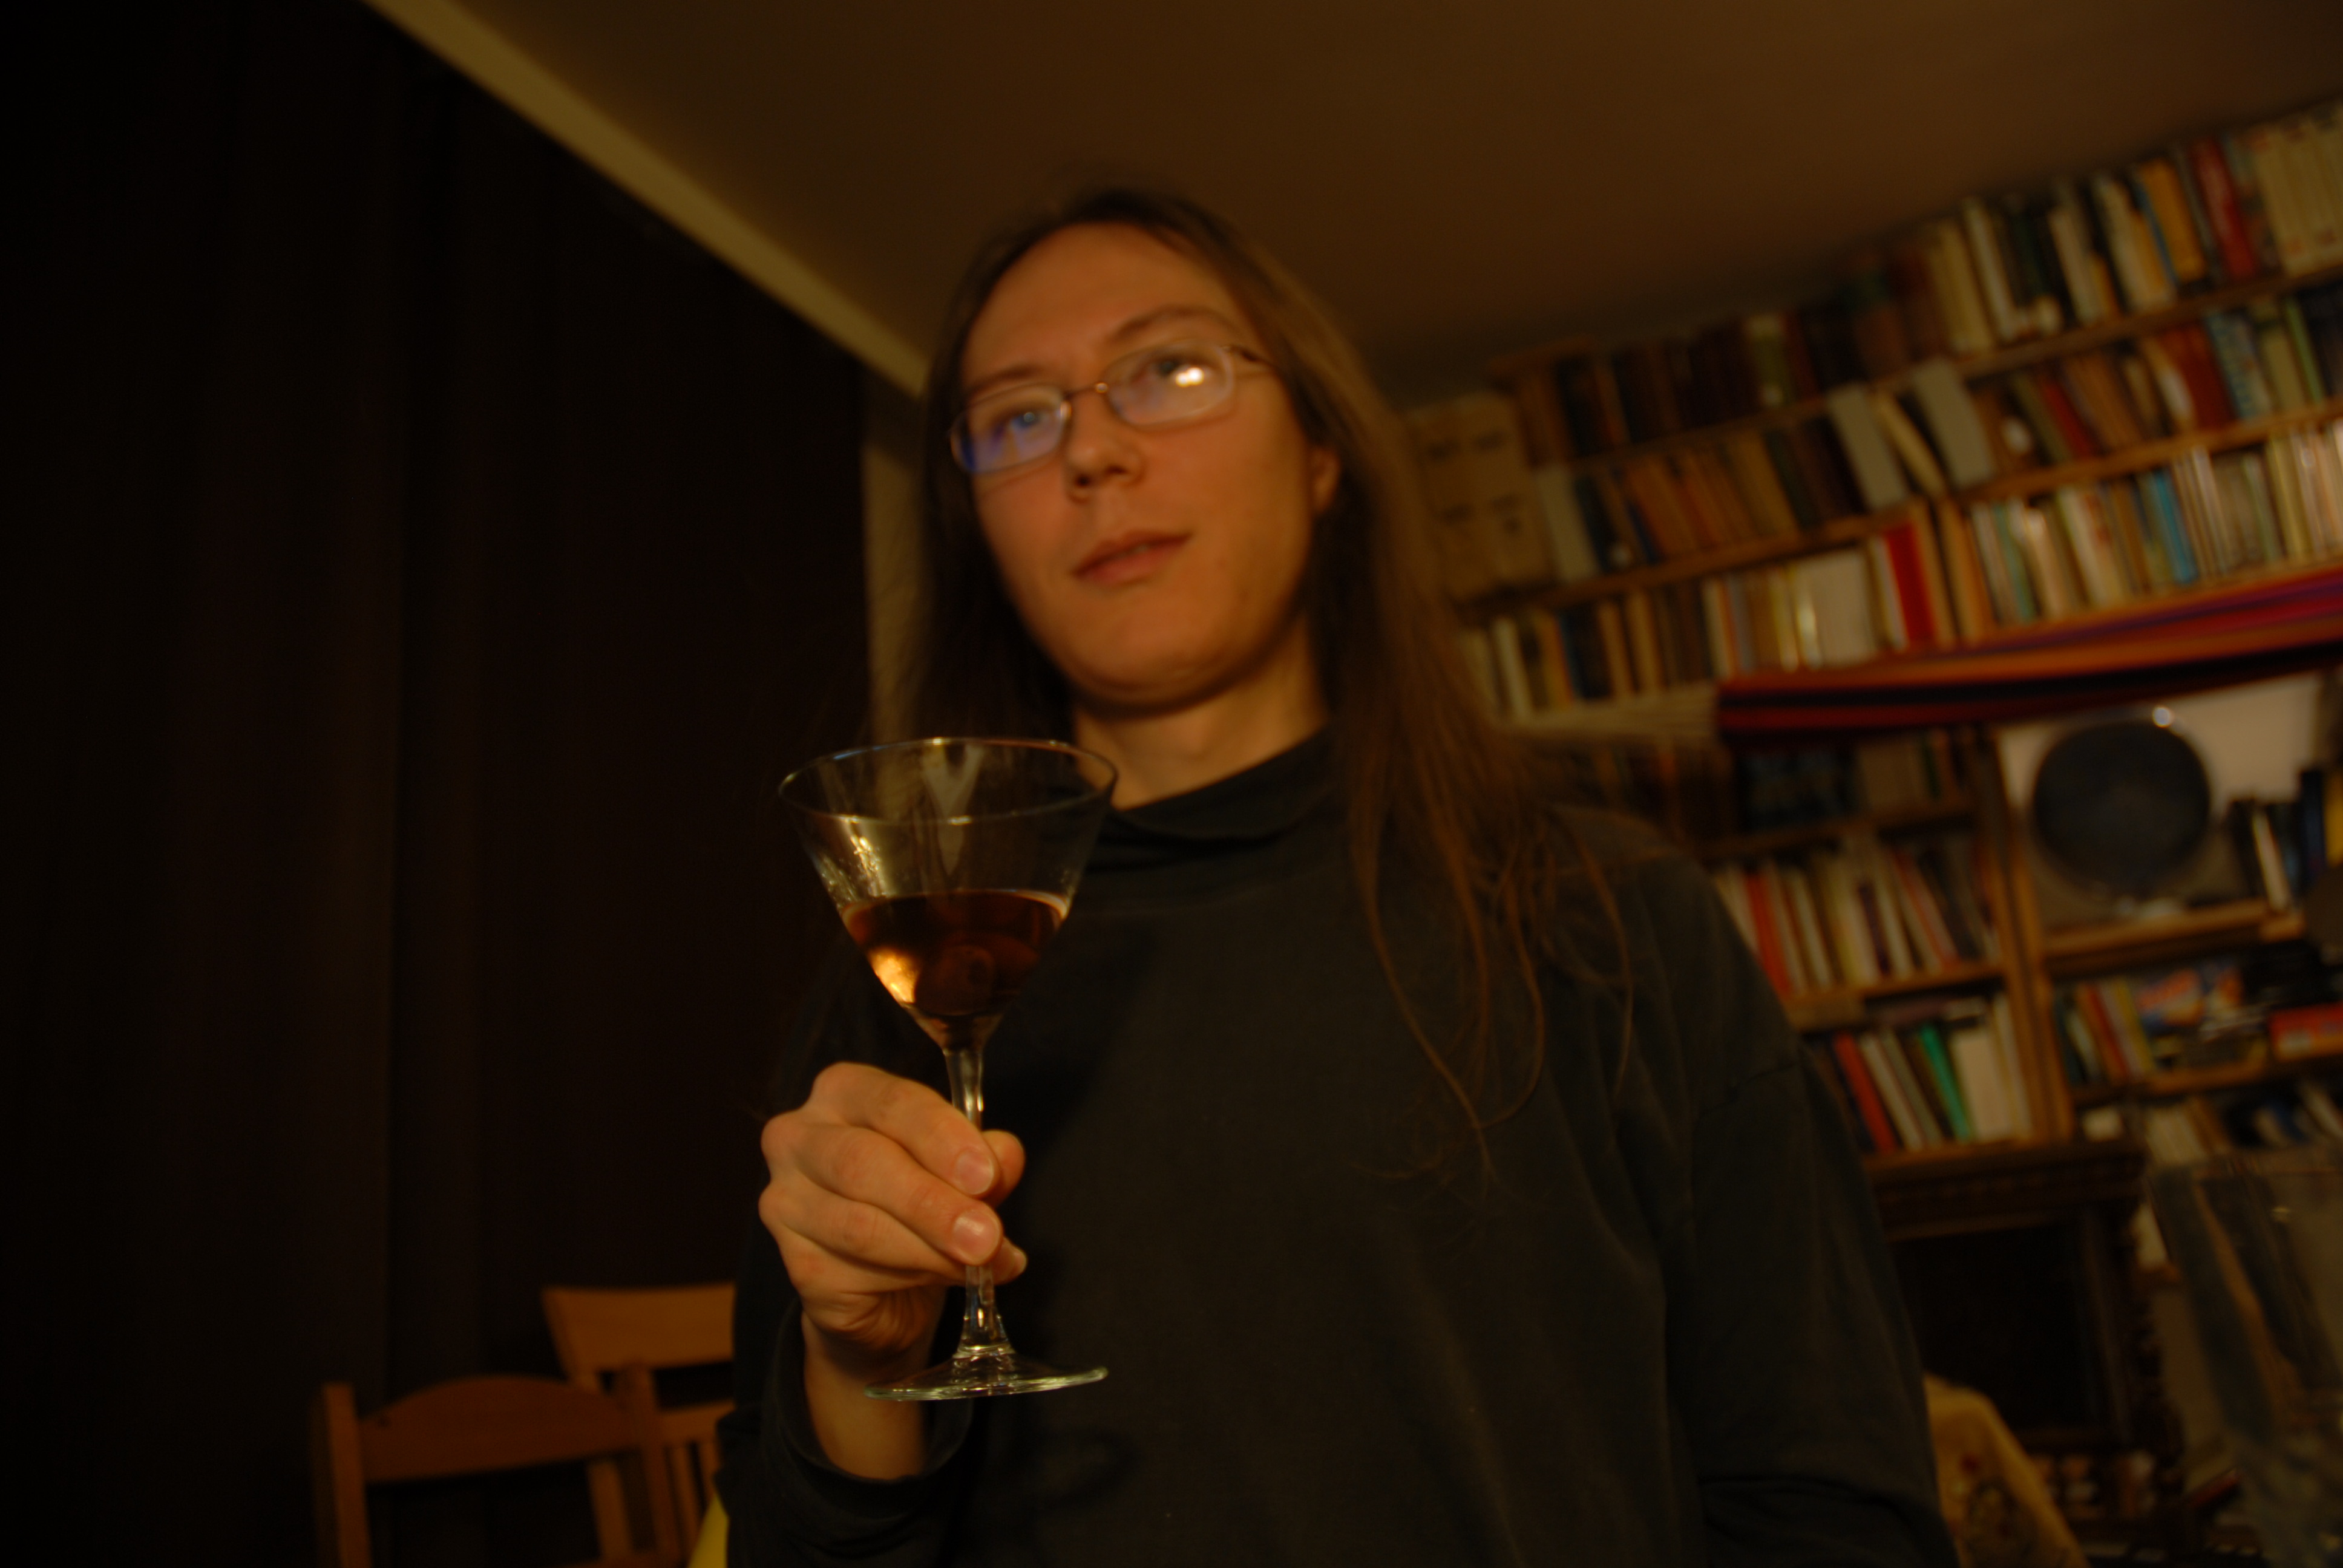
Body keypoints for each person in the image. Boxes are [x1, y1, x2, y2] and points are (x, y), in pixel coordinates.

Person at [716, 185, 1959, 1566]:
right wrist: (862, 1361)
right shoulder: (900, 992)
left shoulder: (1615, 919)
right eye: (1017, 418)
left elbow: (1838, 1506)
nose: (1092, 451)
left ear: (1320, 452)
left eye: (1168, 370)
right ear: (981, 534)